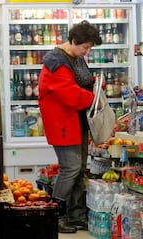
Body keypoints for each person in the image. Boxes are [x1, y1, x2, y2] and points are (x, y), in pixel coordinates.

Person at [38, 20, 102, 233]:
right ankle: (55, 216)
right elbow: (71, 95)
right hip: (63, 123)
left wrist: (96, 84)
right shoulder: (56, 62)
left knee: (79, 169)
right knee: (70, 169)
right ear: (73, 41)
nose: (87, 51)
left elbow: (82, 82)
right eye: (85, 47)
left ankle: (76, 215)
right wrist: (94, 98)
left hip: (77, 122)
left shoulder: (76, 57)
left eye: (90, 47)